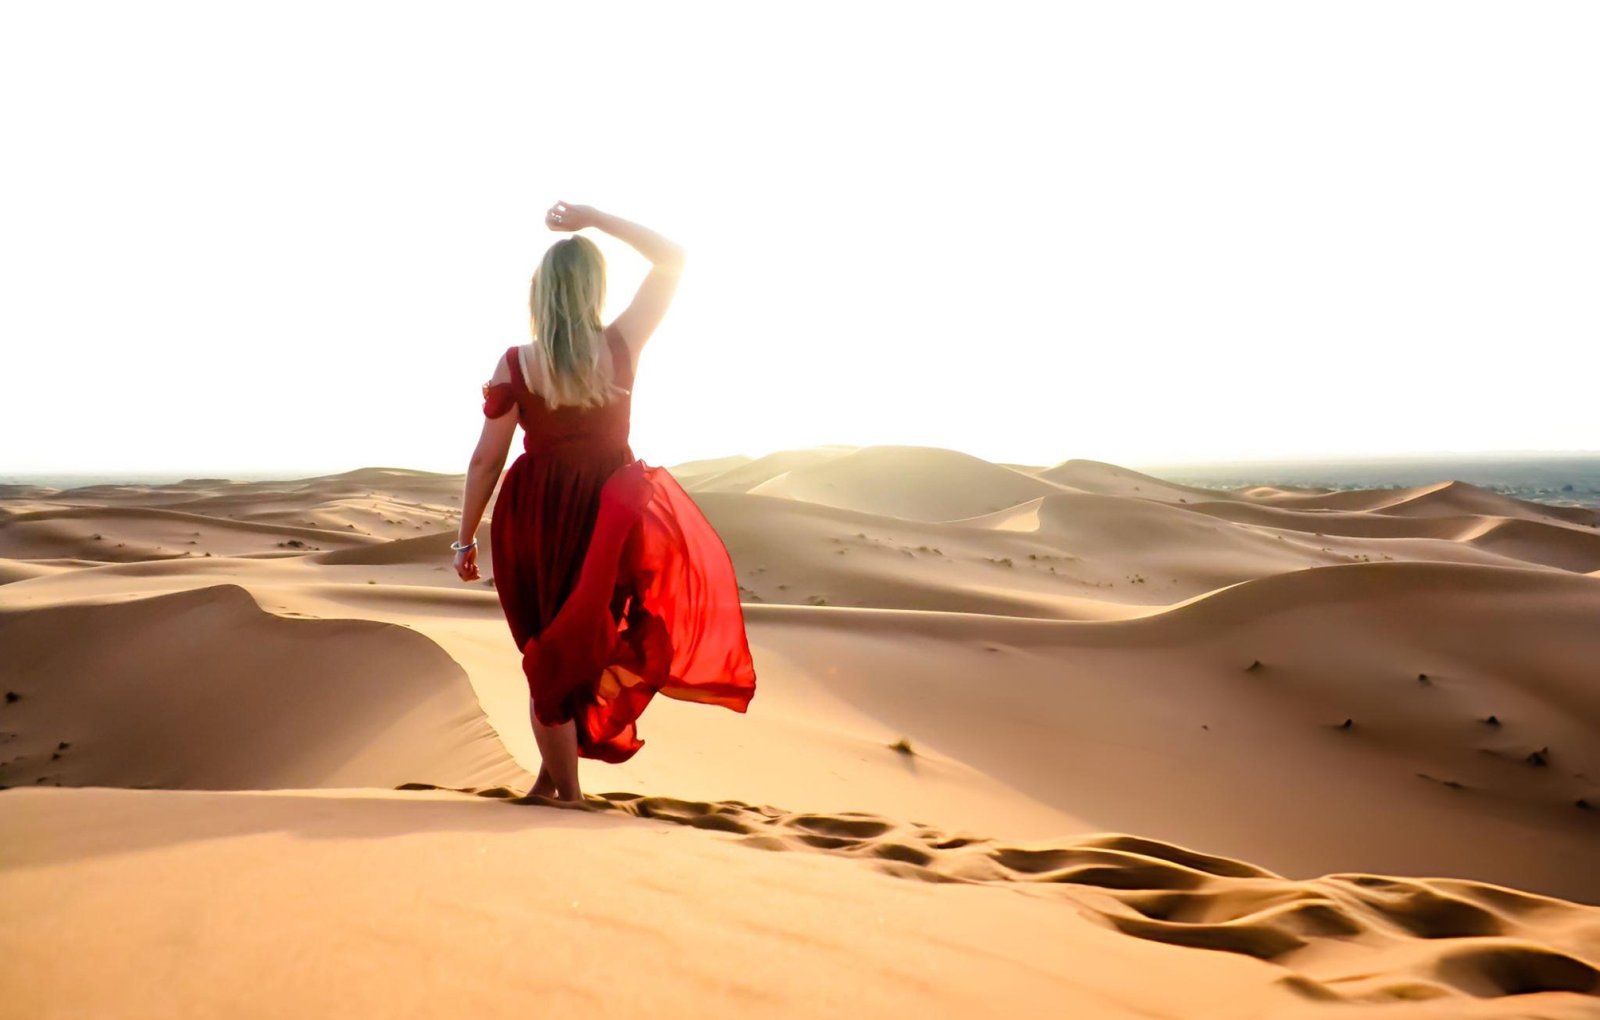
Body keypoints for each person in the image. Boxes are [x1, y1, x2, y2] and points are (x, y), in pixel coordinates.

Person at [452, 201, 757, 804]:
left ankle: (569, 796)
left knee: (553, 647)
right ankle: (551, 782)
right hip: (607, 515)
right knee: (565, 646)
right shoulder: (622, 342)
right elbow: (674, 258)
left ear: (539, 293)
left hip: (536, 514)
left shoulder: (518, 362)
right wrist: (596, 219)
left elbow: (486, 458)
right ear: (594, 289)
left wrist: (466, 536)